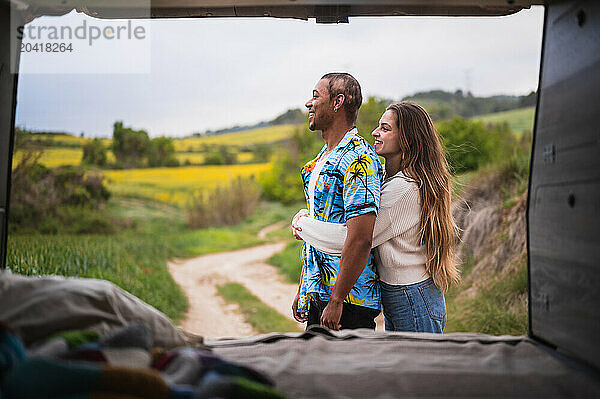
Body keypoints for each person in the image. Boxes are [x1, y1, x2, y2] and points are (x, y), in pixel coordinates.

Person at [292, 101, 459, 333]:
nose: (375, 132)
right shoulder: (391, 182)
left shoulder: (403, 189)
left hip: (412, 297)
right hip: (402, 294)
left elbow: (352, 239)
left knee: (417, 368)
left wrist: (302, 224)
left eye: (386, 128)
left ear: (407, 139)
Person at [290, 72, 384, 331]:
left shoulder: (359, 160)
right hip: (319, 294)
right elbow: (317, 232)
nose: (309, 104)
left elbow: (361, 237)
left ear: (337, 102)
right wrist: (304, 287)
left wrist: (337, 299)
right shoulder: (321, 159)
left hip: (349, 301)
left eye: (315, 96)